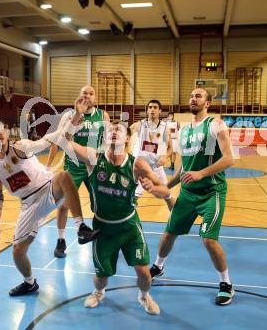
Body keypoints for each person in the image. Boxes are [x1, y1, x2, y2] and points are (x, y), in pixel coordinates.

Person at [52, 96, 174, 315]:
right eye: (110, 131)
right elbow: (65, 140)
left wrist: (156, 191)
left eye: (119, 130)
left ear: (127, 138)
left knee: (144, 274)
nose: (114, 132)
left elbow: (165, 190)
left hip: (129, 226)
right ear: (104, 137)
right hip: (103, 227)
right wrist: (78, 115)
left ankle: (144, 296)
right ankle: (99, 293)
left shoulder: (137, 164)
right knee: (101, 278)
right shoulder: (93, 158)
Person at [147, 88, 236, 306]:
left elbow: (229, 159)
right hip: (188, 194)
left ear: (208, 102)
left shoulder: (215, 124)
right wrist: (166, 186)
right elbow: (182, 168)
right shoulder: (185, 130)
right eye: (191, 96)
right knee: (169, 233)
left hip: (211, 192)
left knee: (208, 239)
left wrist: (201, 173)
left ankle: (226, 284)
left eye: (198, 96)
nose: (193, 99)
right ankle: (158, 266)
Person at [0, 122, 98, 297]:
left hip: (47, 188)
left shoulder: (20, 147)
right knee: (17, 252)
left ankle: (81, 227)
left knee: (63, 176)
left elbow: (46, 140)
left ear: (7, 134)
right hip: (28, 204)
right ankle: (30, 283)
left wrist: (69, 125)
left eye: (1, 130)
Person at [46, 85, 109, 258]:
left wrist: (106, 161)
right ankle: (60, 240)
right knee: (64, 204)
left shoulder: (103, 115)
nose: (88, 96)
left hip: (94, 165)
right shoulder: (69, 115)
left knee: (100, 204)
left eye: (91, 93)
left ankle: (96, 235)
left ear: (95, 97)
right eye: (84, 93)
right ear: (79, 96)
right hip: (73, 166)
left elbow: (107, 142)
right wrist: (49, 165)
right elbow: (58, 139)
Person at [130, 100, 173, 199]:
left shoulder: (165, 127)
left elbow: (170, 148)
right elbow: (126, 134)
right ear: (147, 111)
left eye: (155, 107)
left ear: (160, 111)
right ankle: (128, 212)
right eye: (150, 107)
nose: (152, 109)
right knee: (134, 195)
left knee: (166, 194)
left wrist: (164, 157)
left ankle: (175, 213)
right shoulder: (139, 124)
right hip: (140, 166)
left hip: (156, 165)